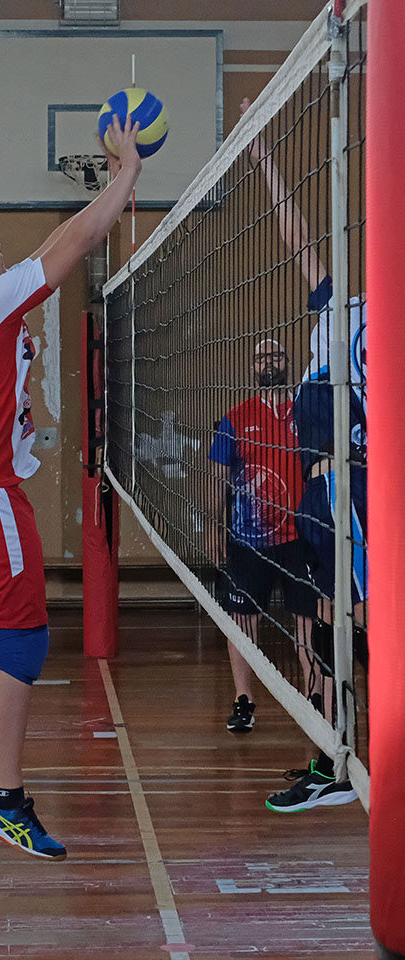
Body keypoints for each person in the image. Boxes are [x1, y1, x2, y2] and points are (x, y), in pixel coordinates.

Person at [0, 114, 142, 859]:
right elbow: (75, 245)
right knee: (24, 639)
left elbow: (50, 246)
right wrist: (129, 176)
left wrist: (101, 195)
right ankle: (5, 801)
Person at [241, 97, 365, 812]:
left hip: (354, 491)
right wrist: (263, 157)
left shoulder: (378, 329)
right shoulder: (333, 311)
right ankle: (329, 757)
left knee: (354, 621)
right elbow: (297, 239)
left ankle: (346, 756)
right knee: (317, 628)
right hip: (316, 498)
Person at [207, 339, 316, 733]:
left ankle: (314, 701)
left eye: (276, 355)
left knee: (307, 622)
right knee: (242, 622)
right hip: (248, 540)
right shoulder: (235, 418)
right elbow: (217, 477)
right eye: (261, 358)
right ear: (252, 368)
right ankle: (244, 700)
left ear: (288, 362)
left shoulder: (307, 411)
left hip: (301, 537)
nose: (269, 362)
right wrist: (214, 526)